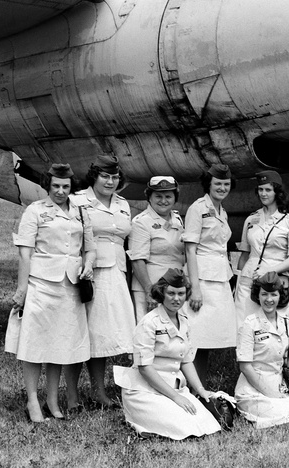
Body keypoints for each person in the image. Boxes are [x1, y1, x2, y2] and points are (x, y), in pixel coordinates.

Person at [7, 163, 93, 422]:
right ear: (48, 185)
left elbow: (90, 247)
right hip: (42, 284)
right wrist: (22, 289)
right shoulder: (35, 211)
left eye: (65, 186)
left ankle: (53, 400)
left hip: (70, 285)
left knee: (60, 342)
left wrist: (88, 264)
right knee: (35, 343)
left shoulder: (80, 212)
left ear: (71, 187)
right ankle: (33, 400)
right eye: (56, 186)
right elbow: (25, 252)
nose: (60, 191)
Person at [114, 269, 221, 440]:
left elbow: (186, 361)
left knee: (207, 425)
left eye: (181, 293)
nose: (176, 299)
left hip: (175, 387)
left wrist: (201, 390)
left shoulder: (184, 322)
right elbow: (144, 368)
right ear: (161, 293)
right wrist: (176, 397)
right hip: (145, 391)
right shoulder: (149, 322)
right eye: (171, 293)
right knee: (183, 427)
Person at [71, 154, 135, 408]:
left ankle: (99, 392)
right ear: (94, 176)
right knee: (80, 334)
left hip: (115, 272)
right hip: (88, 274)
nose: (110, 182)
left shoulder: (123, 204)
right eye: (105, 176)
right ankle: (73, 395)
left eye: (114, 177)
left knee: (103, 336)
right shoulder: (78, 201)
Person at [235, 272, 289, 428]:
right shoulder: (250, 324)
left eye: (273, 294)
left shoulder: (285, 322)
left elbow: (286, 355)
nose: (268, 299)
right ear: (258, 296)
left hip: (279, 387)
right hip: (253, 389)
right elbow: (245, 366)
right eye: (264, 294)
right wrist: (269, 393)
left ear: (280, 296)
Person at [183, 164, 237, 384]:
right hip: (202, 280)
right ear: (208, 184)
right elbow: (190, 249)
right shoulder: (198, 208)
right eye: (218, 184)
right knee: (194, 338)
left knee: (205, 338)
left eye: (226, 184)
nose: (222, 188)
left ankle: (200, 386)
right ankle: (190, 386)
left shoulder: (221, 210)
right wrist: (195, 288)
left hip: (220, 278)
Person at [236, 170, 289, 325]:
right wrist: (239, 278)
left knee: (277, 328)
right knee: (245, 326)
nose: (263, 194)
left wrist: (269, 271)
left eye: (268, 190)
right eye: (260, 189)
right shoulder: (251, 219)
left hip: (276, 282)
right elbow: (244, 254)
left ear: (277, 192)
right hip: (249, 281)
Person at [127, 176, 185, 322]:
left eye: (168, 196)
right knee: (151, 333)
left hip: (175, 288)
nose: (163, 201)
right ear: (149, 198)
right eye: (158, 196)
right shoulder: (141, 222)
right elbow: (137, 260)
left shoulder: (177, 219)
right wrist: (149, 290)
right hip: (153, 288)